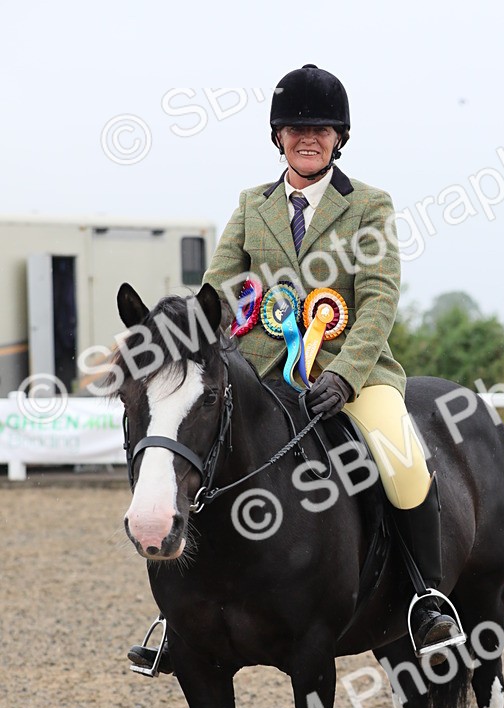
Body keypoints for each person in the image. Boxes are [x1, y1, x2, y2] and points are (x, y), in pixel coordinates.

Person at [128, 63, 464, 675]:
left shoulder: (368, 205)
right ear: (278, 136)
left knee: (401, 457)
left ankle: (425, 599)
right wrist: (180, 346)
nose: (308, 138)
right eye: (295, 128)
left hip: (348, 373)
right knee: (201, 453)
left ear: (340, 137)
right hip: (260, 368)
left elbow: (381, 296)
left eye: (321, 129)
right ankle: (185, 619)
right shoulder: (251, 206)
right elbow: (217, 286)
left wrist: (347, 373)